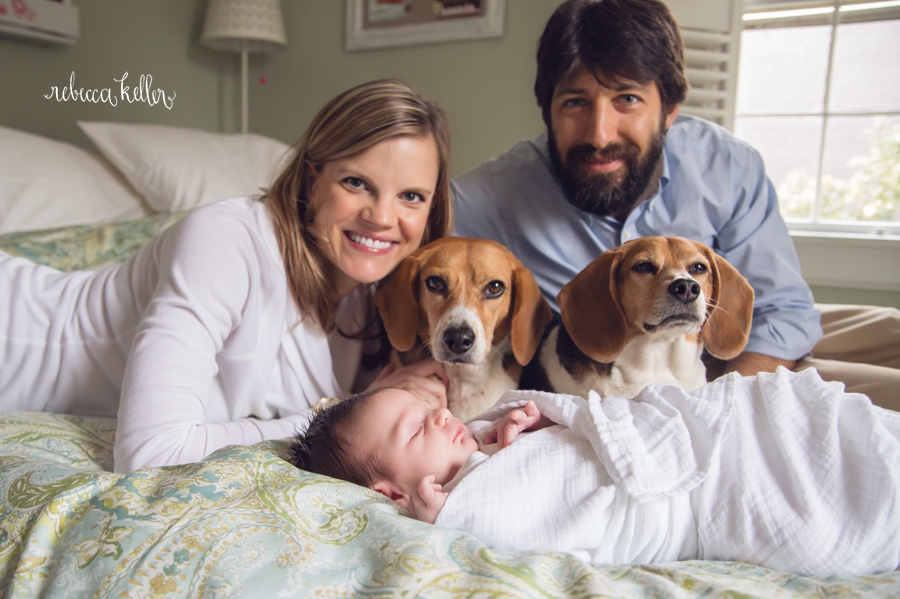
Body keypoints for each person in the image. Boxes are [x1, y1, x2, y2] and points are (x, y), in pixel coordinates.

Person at [451, 0, 900, 410]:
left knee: (889, 329)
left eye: (627, 99)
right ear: (547, 111)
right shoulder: (492, 194)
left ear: (669, 109)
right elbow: (402, 241)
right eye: (575, 102)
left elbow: (782, 311)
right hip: (605, 350)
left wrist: (720, 406)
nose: (600, 133)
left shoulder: (727, 165)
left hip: (736, 343)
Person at [0, 79, 453, 474]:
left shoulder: (384, 295)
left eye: (411, 196)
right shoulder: (226, 240)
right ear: (312, 177)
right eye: (357, 183)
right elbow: (149, 454)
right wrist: (337, 415)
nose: (381, 217)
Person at [291, 371, 900, 576]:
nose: (445, 415)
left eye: (432, 407)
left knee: (825, 426)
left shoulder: (481, 443)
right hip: (701, 493)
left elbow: (590, 426)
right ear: (391, 491)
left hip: (718, 432)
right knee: (837, 499)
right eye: (418, 428)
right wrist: (446, 515)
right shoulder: (462, 504)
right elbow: (531, 515)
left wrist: (526, 428)